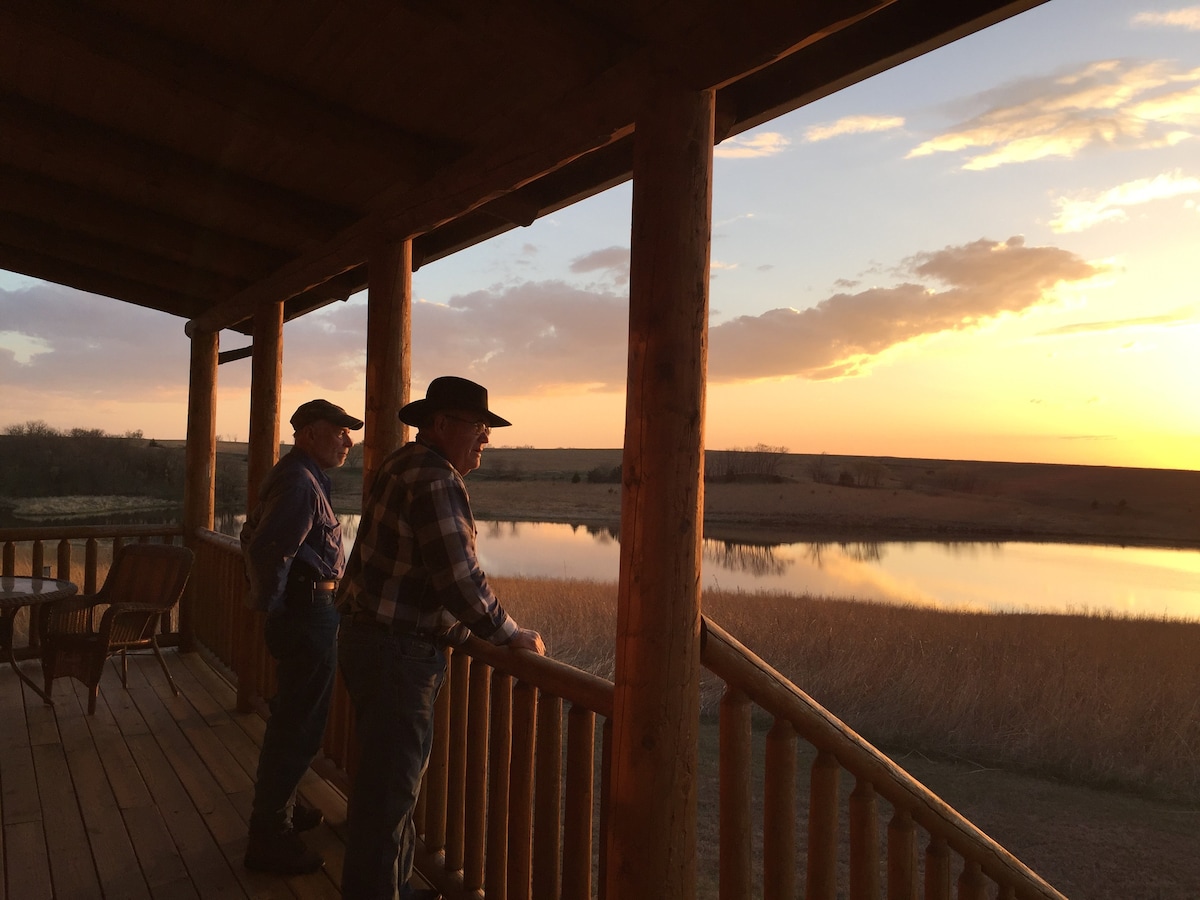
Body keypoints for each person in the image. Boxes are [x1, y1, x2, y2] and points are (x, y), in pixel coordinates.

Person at [337, 376, 546, 900]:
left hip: (372, 641)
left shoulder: (400, 463)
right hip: (397, 654)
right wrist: (510, 633)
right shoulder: (435, 478)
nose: (486, 439)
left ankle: (396, 885)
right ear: (440, 424)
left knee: (386, 788)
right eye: (478, 426)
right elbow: (457, 577)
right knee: (391, 794)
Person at [241, 398, 364, 875]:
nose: (348, 440)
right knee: (299, 726)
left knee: (293, 719)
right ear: (308, 433)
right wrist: (274, 607)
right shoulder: (298, 481)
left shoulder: (301, 475)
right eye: (339, 431)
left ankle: (284, 808)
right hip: (307, 612)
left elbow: (251, 535)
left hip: (306, 611)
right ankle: (269, 835)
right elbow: (269, 548)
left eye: (349, 432)